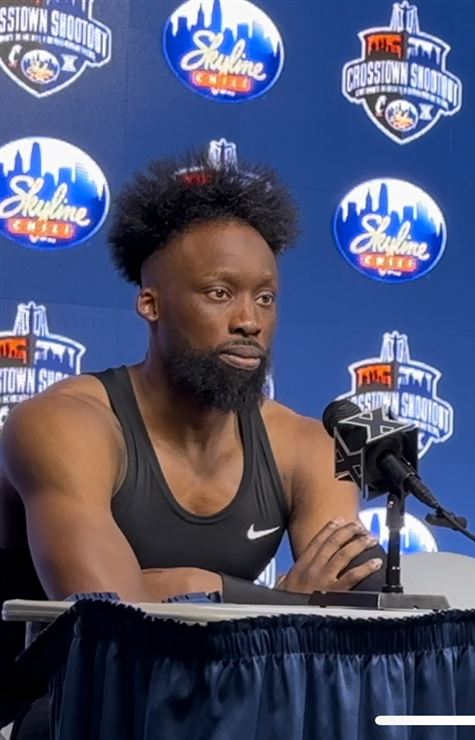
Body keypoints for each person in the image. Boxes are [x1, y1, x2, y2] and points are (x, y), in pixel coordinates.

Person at [0, 151, 385, 732]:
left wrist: (188, 588)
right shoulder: (64, 425)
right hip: (60, 704)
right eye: (218, 292)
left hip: (226, 692)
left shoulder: (304, 444)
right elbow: (116, 631)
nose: (249, 321)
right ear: (150, 305)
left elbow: (350, 614)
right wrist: (281, 603)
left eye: (264, 297)